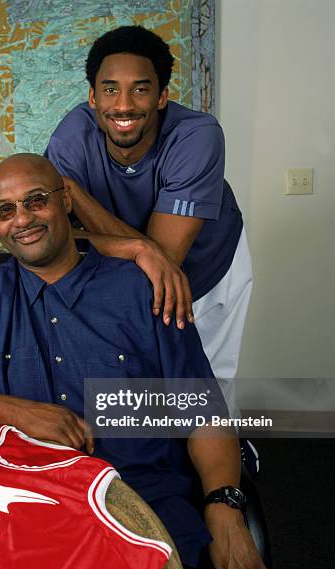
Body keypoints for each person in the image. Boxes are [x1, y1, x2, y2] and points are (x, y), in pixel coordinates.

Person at [0, 153, 269, 569]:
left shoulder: (144, 288)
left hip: (142, 502)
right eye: (5, 210)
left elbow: (201, 412)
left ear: (66, 200)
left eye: (36, 201)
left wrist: (225, 506)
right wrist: (14, 412)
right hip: (21, 513)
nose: (22, 219)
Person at [45, 26, 253, 413]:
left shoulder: (197, 135)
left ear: (162, 96)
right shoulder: (70, 138)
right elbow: (62, 241)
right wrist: (139, 248)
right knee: (140, 383)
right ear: (92, 97)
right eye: (109, 89)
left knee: (208, 379)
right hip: (124, 269)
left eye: (140, 89)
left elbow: (165, 259)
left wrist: (76, 194)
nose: (123, 105)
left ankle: (235, 456)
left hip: (208, 265)